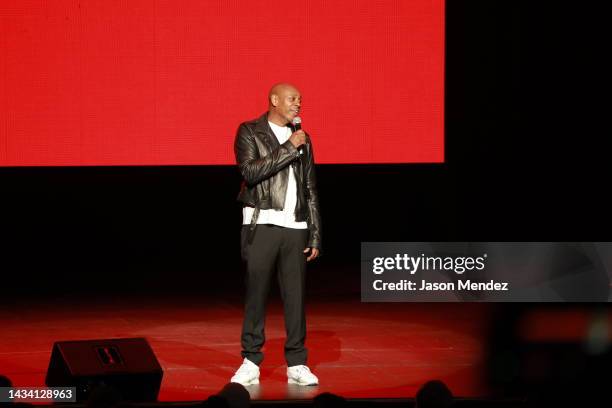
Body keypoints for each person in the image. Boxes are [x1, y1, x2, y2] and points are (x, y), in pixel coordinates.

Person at [230, 83, 322, 386]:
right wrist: (288, 148)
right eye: (292, 99)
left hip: (295, 227)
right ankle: (251, 360)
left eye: (300, 100)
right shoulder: (250, 131)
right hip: (262, 223)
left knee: (295, 298)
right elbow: (250, 172)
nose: (298, 104)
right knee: (256, 295)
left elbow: (310, 187)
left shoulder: (303, 139)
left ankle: (296, 362)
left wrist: (315, 233)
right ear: (274, 100)